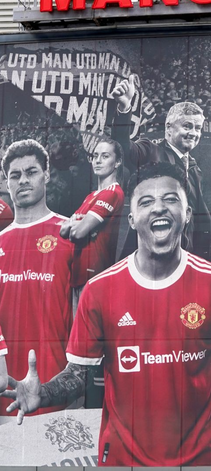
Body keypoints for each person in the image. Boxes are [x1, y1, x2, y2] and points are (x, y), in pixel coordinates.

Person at [4, 162, 211, 466]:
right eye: (146, 202)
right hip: (124, 460)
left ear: (187, 214)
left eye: (170, 199)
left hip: (201, 460)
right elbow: (77, 375)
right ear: (133, 219)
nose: (159, 208)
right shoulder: (99, 290)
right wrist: (42, 394)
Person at [0, 139, 78, 417]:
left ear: (46, 175)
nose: (23, 180)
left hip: (56, 389)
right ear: (6, 182)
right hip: (4, 392)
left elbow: (84, 317)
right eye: (15, 175)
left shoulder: (70, 234)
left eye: (31, 172)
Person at [110, 75, 211, 258]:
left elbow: (197, 218)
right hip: (150, 257)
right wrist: (124, 108)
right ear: (169, 128)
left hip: (181, 257)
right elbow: (122, 147)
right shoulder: (151, 151)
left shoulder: (195, 169)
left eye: (198, 128)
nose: (193, 133)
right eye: (187, 126)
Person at [60, 137, 125, 290]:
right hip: (77, 273)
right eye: (95, 156)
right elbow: (63, 231)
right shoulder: (91, 196)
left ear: (117, 162)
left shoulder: (112, 193)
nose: (98, 161)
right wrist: (81, 225)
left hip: (96, 276)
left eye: (105, 156)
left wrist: (77, 224)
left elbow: (78, 233)